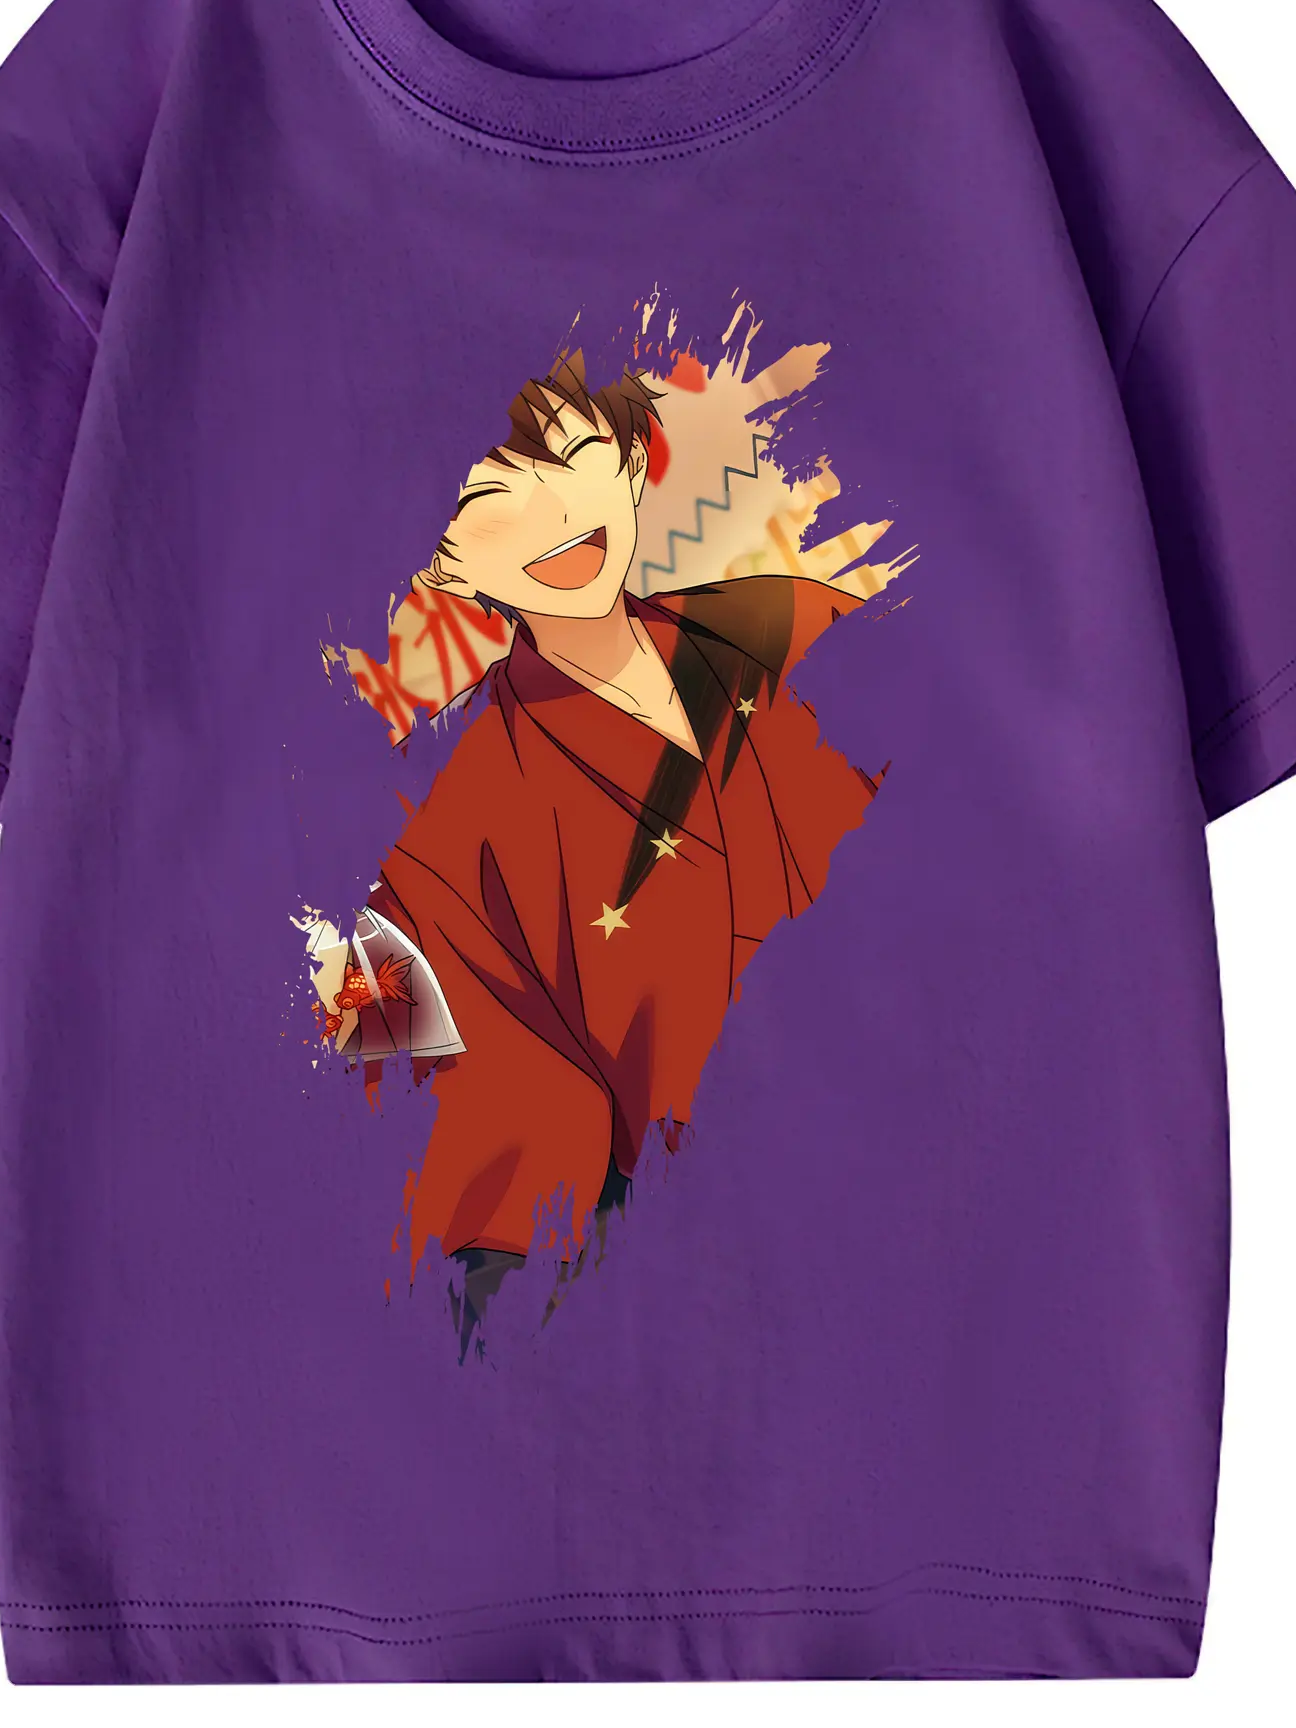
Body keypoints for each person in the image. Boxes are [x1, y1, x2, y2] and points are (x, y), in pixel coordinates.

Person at [320, 349, 885, 1355]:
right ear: (449, 558)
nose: (553, 515)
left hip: (889, 1174)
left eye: (573, 458)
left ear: (633, 462)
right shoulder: (463, 811)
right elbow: (363, 1027)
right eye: (495, 495)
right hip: (650, 1286)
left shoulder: (777, 630)